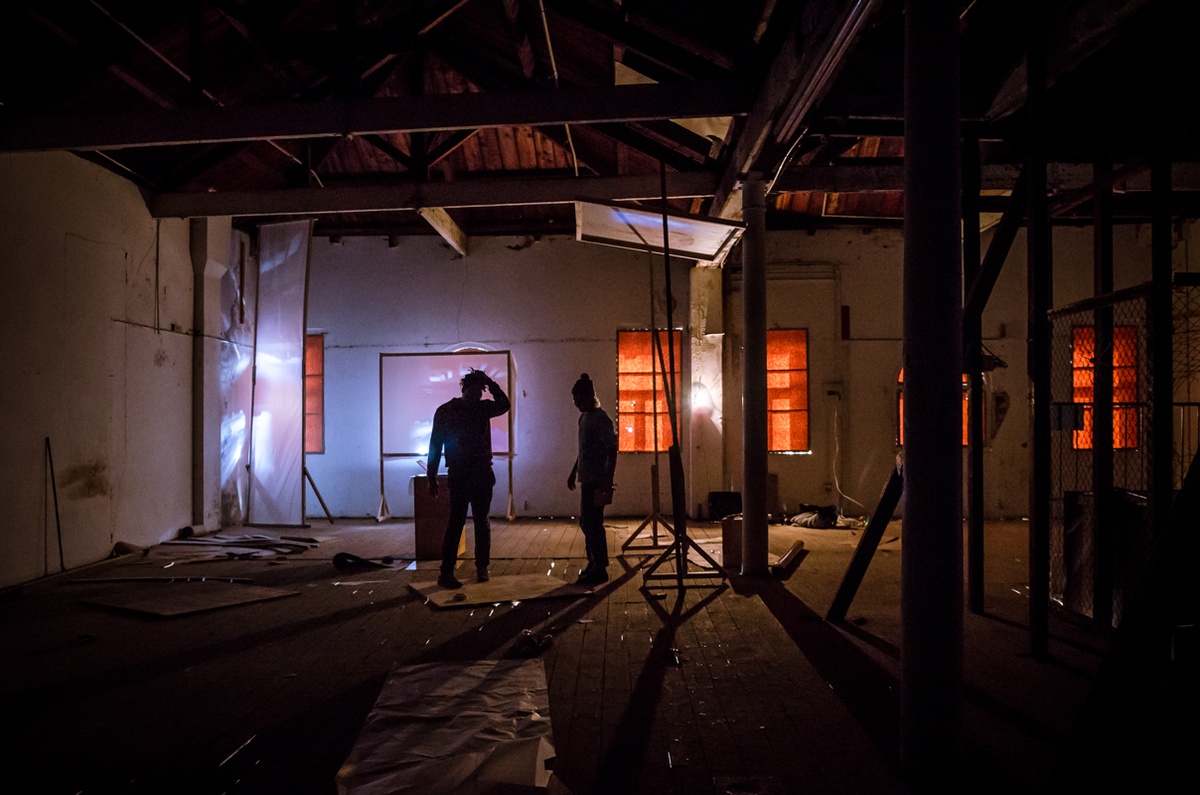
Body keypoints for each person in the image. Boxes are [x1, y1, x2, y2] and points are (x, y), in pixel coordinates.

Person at [427, 368, 510, 589]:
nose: (477, 395)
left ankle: (455, 571)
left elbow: (435, 445)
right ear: (467, 389)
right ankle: (465, 570)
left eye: (479, 391)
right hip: (470, 473)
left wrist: (432, 476)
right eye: (477, 390)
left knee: (465, 523)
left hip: (468, 473)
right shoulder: (469, 409)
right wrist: (431, 476)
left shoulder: (449, 410)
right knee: (469, 522)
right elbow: (435, 445)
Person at [567, 373, 618, 585]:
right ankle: (594, 562)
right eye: (575, 400)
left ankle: (600, 567)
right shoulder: (584, 419)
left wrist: (608, 479)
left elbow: (612, 450)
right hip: (586, 479)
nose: (576, 403)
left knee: (593, 523)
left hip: (597, 480)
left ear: (589, 397)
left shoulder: (601, 419)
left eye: (579, 399)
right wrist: (574, 471)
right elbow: (583, 449)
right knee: (587, 522)